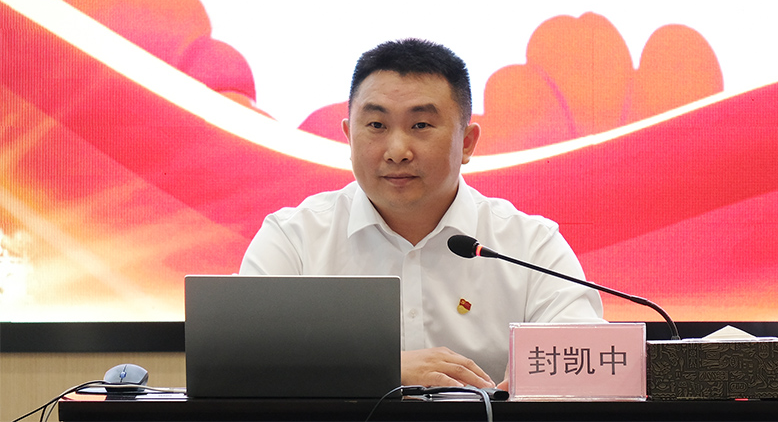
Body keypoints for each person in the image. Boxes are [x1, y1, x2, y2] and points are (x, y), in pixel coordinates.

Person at [240, 38, 603, 389]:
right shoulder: (294, 239)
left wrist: (545, 381)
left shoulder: (530, 246)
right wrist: (385, 367)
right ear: (349, 137)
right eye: (377, 126)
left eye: (421, 126)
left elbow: (588, 361)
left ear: (467, 142)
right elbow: (243, 360)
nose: (397, 151)